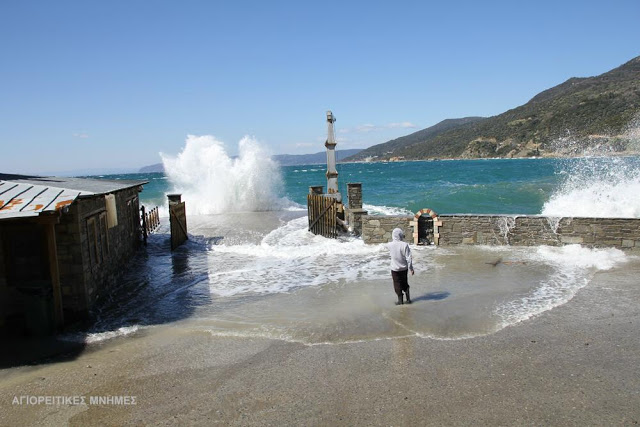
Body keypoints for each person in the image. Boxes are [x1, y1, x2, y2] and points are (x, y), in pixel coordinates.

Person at [387, 228, 414, 305]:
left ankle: (400, 300)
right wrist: (411, 268)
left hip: (395, 269)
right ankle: (408, 299)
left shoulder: (390, 245)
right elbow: (409, 257)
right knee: (405, 283)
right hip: (404, 268)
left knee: (397, 284)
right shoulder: (404, 245)